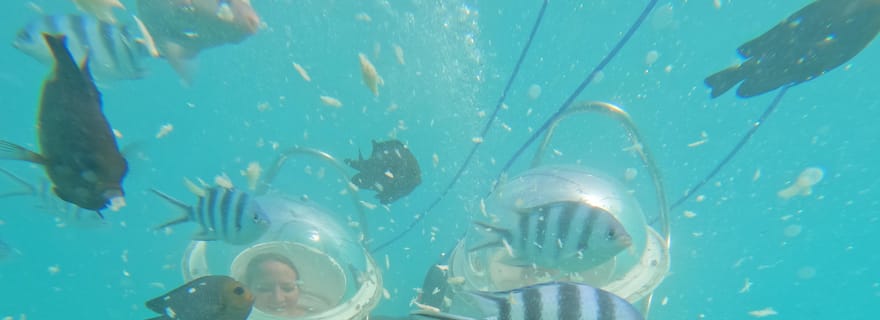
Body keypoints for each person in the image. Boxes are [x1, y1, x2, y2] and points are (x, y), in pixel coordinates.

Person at [243, 253, 309, 318]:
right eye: (264, 289)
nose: (278, 299)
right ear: (247, 290)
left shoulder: (315, 315)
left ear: (299, 290)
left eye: (288, 288)